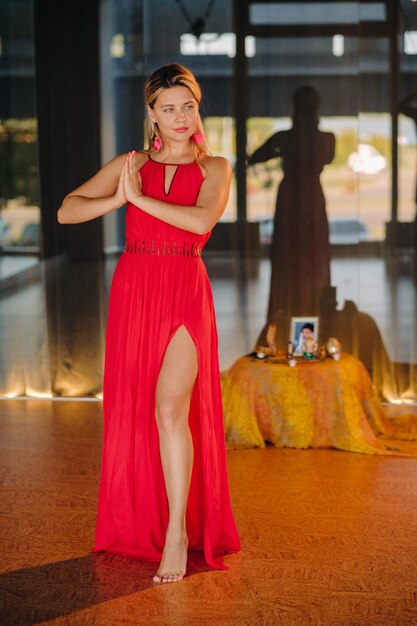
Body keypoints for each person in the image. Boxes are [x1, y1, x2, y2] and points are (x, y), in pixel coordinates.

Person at [57, 64, 240, 583]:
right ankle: (155, 525)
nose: (180, 117)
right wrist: (118, 196)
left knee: (168, 408)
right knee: (144, 412)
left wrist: (138, 199)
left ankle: (178, 534)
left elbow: (201, 222)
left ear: (197, 108)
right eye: (168, 108)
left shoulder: (216, 168)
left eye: (188, 106)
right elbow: (67, 211)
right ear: (151, 115)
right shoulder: (131, 165)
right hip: (135, 290)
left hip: (184, 289)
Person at [247, 86, 335, 318]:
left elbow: (255, 156)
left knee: (294, 255)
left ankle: (294, 309)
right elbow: (255, 157)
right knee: (309, 255)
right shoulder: (324, 139)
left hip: (293, 196)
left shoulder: (286, 137)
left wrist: (279, 149)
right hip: (308, 195)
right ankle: (309, 311)